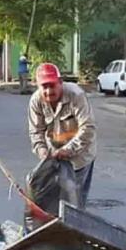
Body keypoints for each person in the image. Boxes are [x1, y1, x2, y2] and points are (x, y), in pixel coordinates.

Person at [27, 63, 97, 206]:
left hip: (79, 155)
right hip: (53, 157)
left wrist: (68, 150)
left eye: (52, 85)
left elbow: (88, 128)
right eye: (44, 87)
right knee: (52, 200)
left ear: (60, 82)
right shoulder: (36, 101)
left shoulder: (76, 95)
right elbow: (36, 132)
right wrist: (42, 151)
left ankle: (76, 225)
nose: (48, 91)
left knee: (74, 202)